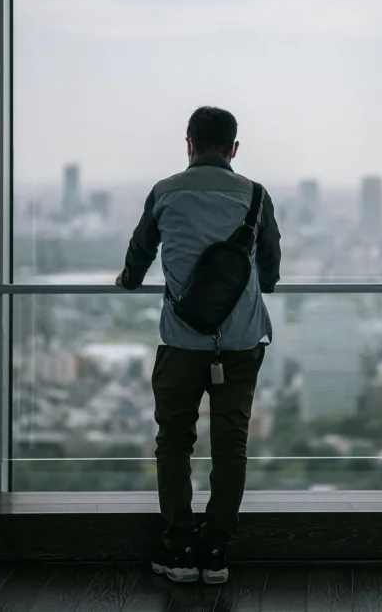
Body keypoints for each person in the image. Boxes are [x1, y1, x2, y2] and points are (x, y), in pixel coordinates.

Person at [116, 106, 281, 585]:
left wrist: (127, 280)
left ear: (188, 143)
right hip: (241, 341)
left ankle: (180, 550)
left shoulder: (164, 192)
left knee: (174, 443)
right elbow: (270, 271)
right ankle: (215, 551)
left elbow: (138, 257)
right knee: (231, 447)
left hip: (182, 341)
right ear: (234, 148)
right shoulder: (256, 195)